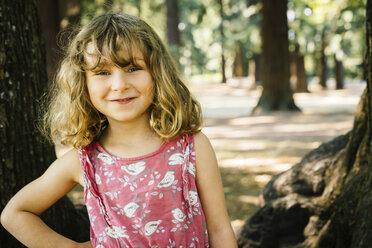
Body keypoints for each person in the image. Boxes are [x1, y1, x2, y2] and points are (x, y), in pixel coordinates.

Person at [1, 13, 237, 248]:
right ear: (83, 83)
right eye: (102, 72)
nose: (120, 85)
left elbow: (220, 229)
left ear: (157, 73)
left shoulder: (192, 147)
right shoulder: (84, 161)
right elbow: (15, 213)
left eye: (133, 68)